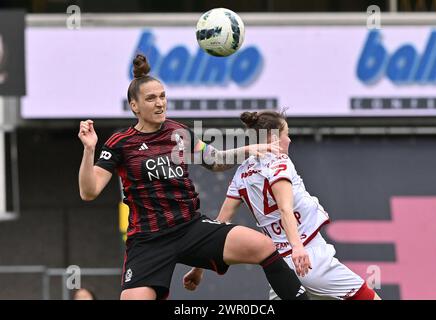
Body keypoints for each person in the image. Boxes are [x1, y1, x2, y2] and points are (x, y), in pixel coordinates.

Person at [78, 54, 310, 300]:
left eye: (162, 96)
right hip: (148, 240)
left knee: (263, 246)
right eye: (151, 98)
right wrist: (89, 149)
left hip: (189, 228)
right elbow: (88, 191)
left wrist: (247, 150)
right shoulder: (120, 143)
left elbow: (214, 161)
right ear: (134, 106)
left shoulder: (178, 132)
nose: (160, 103)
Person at [184, 110, 381, 300]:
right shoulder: (280, 162)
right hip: (308, 255)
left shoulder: (242, 172)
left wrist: (199, 267)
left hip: (281, 265)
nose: (290, 139)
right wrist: (298, 248)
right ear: (273, 138)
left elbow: (220, 224)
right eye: (286, 134)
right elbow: (285, 208)